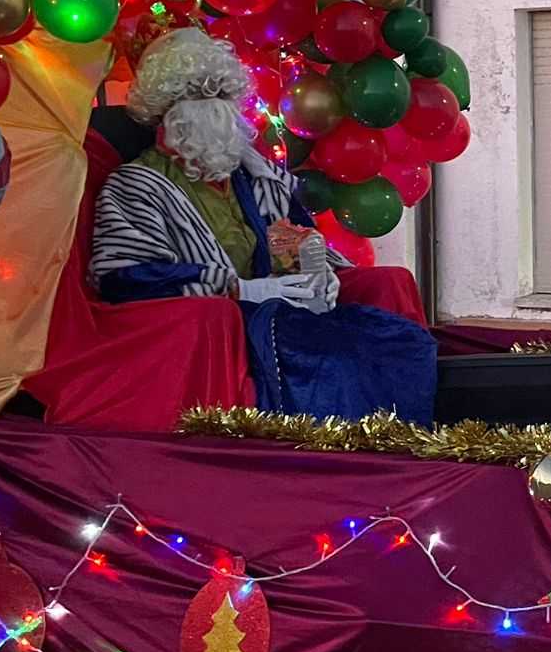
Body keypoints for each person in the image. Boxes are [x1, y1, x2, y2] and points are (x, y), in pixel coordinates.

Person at [88, 28, 435, 420]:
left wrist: (322, 276)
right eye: (193, 97)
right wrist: (239, 289)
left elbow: (303, 240)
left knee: (396, 343)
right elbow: (125, 278)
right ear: (164, 115)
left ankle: (399, 439)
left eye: (220, 95)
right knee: (337, 363)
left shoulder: (261, 178)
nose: (211, 109)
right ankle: (333, 447)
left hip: (290, 316)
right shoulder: (136, 185)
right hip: (233, 329)